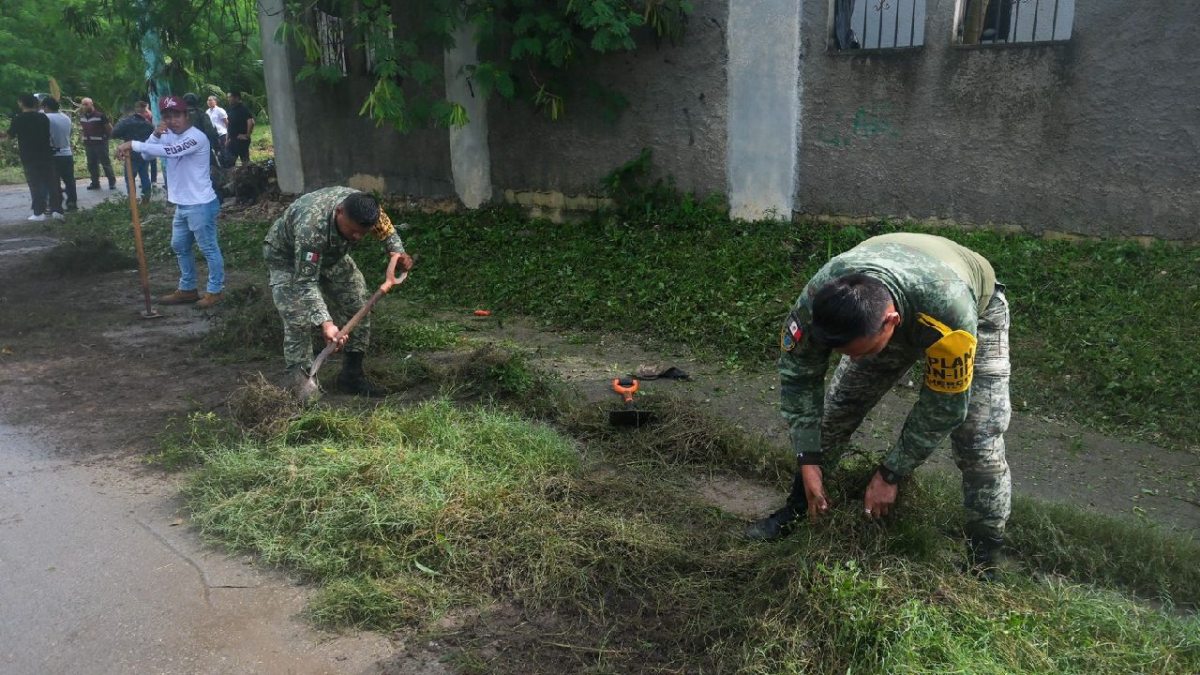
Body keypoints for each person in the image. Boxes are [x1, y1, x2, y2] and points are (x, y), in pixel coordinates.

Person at [746, 233, 1011, 578]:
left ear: (891, 323)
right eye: (846, 354)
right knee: (836, 413)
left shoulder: (951, 317)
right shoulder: (821, 298)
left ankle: (984, 560)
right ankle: (798, 510)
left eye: (862, 352)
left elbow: (943, 406)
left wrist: (892, 473)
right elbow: (799, 374)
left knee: (978, 442)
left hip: (974, 307)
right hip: (891, 301)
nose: (853, 361)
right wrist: (807, 458)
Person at [262, 187, 414, 397]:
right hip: (287, 259)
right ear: (339, 211)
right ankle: (301, 388)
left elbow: (388, 232)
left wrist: (398, 253)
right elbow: (306, 281)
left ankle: (351, 376)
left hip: (332, 258)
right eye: (352, 231)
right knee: (298, 318)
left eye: (362, 232)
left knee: (358, 303)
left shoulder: (368, 210)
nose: (357, 237)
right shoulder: (312, 229)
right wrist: (326, 323)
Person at [115, 96, 224, 309]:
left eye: (176, 115)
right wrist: (155, 135)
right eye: (167, 116)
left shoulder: (196, 137)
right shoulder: (166, 135)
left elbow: (170, 152)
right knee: (179, 246)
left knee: (208, 248)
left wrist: (132, 144)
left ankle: (215, 291)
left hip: (200, 203)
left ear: (186, 116)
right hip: (181, 203)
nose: (172, 120)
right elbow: (147, 154)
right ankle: (188, 289)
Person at [1, 94, 63, 221]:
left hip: (29, 156)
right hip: (46, 154)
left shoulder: (18, 119)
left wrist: (3, 135)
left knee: (35, 184)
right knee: (52, 182)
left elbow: (9, 136)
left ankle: (38, 212)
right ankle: (57, 210)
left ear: (21, 103)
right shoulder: (43, 117)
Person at [112, 106, 155, 205]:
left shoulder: (125, 122)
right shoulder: (148, 124)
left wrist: (125, 136)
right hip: (144, 154)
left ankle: (132, 201)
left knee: (130, 179)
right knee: (145, 176)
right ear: (144, 113)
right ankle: (146, 199)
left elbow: (114, 133)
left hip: (130, 154)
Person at [40, 97, 77, 212]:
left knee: (53, 181)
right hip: (66, 152)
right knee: (69, 180)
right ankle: (72, 202)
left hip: (53, 154)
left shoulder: (46, 117)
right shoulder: (66, 117)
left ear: (46, 107)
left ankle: (55, 205)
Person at [78, 97, 116, 190]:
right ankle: (95, 183)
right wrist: (82, 138)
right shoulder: (82, 117)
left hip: (100, 144)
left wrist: (107, 138)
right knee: (91, 164)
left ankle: (112, 182)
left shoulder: (100, 116)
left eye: (86, 104)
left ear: (91, 104)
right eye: (83, 104)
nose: (84, 106)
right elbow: (82, 129)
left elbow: (109, 128)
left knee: (105, 163)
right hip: (89, 144)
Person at [225, 90, 254, 166]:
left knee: (245, 162)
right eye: (228, 97)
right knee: (229, 163)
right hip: (232, 140)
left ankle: (249, 176)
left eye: (230, 97)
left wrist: (247, 135)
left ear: (237, 98)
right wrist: (227, 139)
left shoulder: (243, 109)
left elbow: (251, 121)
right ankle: (232, 177)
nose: (228, 99)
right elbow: (229, 125)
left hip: (241, 140)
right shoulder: (230, 109)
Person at [135, 101, 158, 186]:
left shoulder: (149, 115)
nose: (137, 109)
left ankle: (152, 180)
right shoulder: (140, 115)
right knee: (146, 161)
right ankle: (148, 180)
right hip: (144, 140)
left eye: (138, 107)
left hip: (150, 139)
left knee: (150, 161)